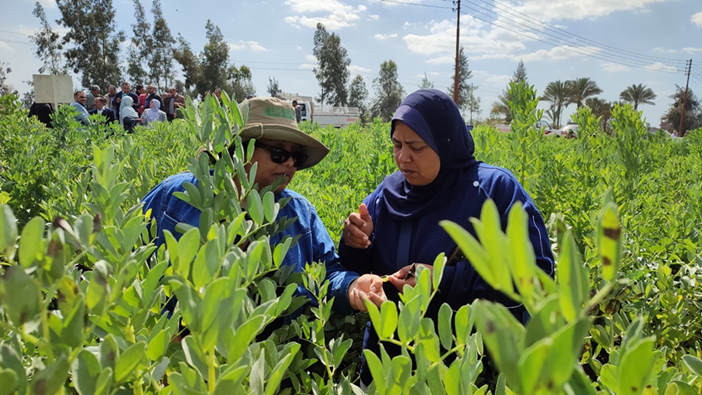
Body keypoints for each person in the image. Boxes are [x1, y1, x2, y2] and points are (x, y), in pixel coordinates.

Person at [339, 89, 555, 387]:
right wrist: (355, 244)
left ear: (446, 143)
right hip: (385, 367)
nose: (403, 158)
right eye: (397, 144)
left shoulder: (492, 191)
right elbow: (361, 269)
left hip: (462, 375)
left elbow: (537, 274)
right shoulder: (386, 196)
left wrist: (443, 279)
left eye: (415, 146)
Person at [141, 97, 381, 316]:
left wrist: (351, 286)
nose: (289, 163)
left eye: (296, 157)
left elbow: (327, 274)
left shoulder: (299, 213)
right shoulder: (175, 195)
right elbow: (129, 260)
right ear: (239, 148)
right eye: (278, 153)